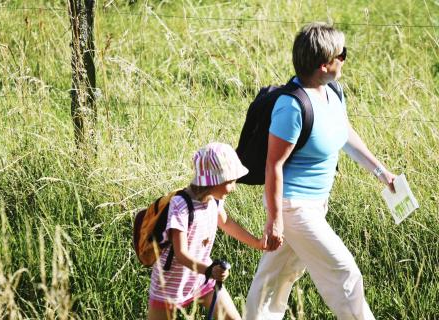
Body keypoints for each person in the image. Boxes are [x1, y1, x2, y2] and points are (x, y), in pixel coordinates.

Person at [245, 23, 396, 320]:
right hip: (293, 207)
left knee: (274, 280)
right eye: (343, 54)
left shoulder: (332, 91)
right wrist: (275, 221)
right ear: (324, 64)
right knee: (344, 273)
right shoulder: (291, 107)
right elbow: (273, 165)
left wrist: (382, 172)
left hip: (315, 204)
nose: (345, 59)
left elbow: (343, 132)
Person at [148, 142, 264, 320]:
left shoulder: (215, 200)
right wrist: (209, 270)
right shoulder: (181, 204)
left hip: (202, 280)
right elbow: (181, 254)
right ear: (214, 179)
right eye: (230, 181)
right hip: (169, 286)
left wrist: (257, 243)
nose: (234, 187)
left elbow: (226, 223)